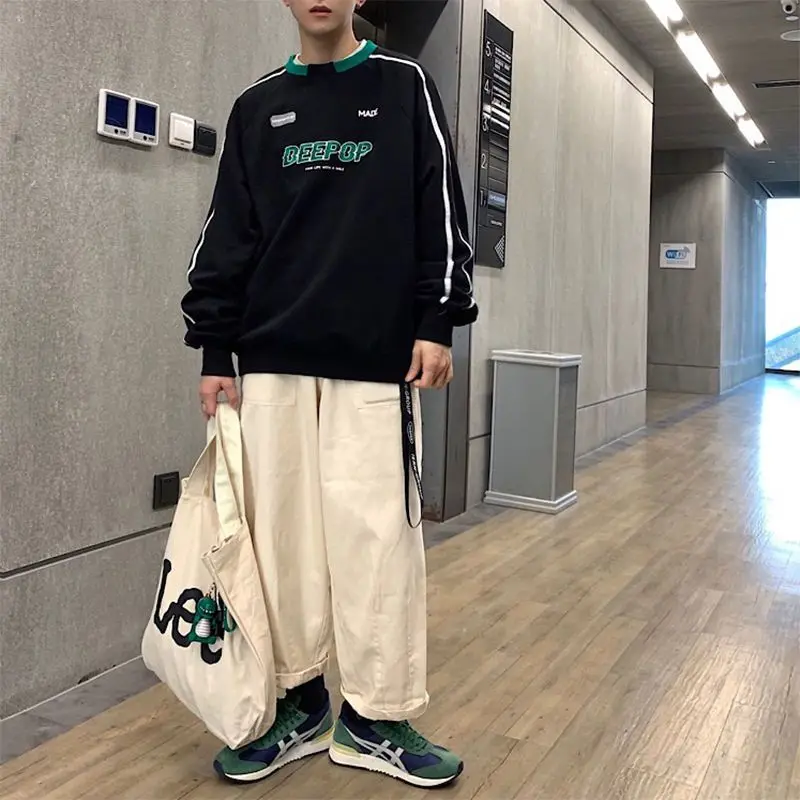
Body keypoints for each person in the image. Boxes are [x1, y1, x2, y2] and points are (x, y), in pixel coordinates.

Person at [180, 0, 478, 789]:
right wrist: (215, 346)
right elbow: (228, 235)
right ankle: (299, 703)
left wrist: (437, 320)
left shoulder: (406, 86)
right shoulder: (255, 107)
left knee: (378, 545)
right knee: (281, 548)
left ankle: (375, 718)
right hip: (270, 363)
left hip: (376, 365)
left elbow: (442, 211)